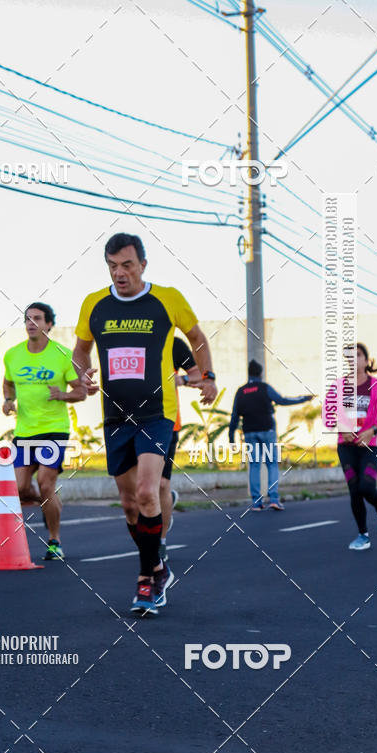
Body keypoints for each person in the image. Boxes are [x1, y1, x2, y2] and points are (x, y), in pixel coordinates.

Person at [73, 233, 217, 616]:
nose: (119, 273)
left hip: (157, 413)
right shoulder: (95, 304)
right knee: (128, 505)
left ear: (143, 265)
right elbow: (81, 349)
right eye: (112, 265)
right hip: (115, 414)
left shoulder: (167, 299)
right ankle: (157, 566)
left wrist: (209, 375)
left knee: (148, 493)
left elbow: (197, 337)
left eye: (127, 265)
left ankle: (146, 579)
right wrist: (82, 375)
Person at [3, 302, 87, 561]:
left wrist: (62, 394)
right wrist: (8, 400)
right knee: (19, 488)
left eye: (37, 318)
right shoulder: (12, 355)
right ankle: (49, 503)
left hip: (54, 430)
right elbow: (7, 384)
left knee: (46, 483)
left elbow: (81, 391)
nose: (31, 323)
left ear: (49, 324)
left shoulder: (62, 354)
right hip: (24, 431)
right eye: (28, 319)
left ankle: (54, 541)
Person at [323, 343, 377, 550]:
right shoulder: (337, 386)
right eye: (350, 356)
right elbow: (328, 415)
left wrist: (372, 430)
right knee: (354, 490)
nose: (354, 359)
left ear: (366, 359)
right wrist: (340, 428)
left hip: (370, 445)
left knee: (366, 487)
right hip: (346, 447)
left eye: (358, 355)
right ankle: (363, 535)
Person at [228, 359, 313, 511]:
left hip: (250, 433)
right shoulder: (264, 387)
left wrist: (231, 436)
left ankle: (256, 502)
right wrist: (303, 398)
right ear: (260, 373)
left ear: (249, 374)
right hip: (267, 431)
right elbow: (282, 400)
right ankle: (273, 498)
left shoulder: (241, 391)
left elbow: (235, 415)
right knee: (271, 464)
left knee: (254, 465)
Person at [159, 336, 202, 563]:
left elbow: (199, 375)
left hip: (167, 423)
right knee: (137, 492)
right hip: (132, 424)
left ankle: (161, 542)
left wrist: (181, 379)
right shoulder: (129, 339)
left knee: (161, 484)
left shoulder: (174, 344)